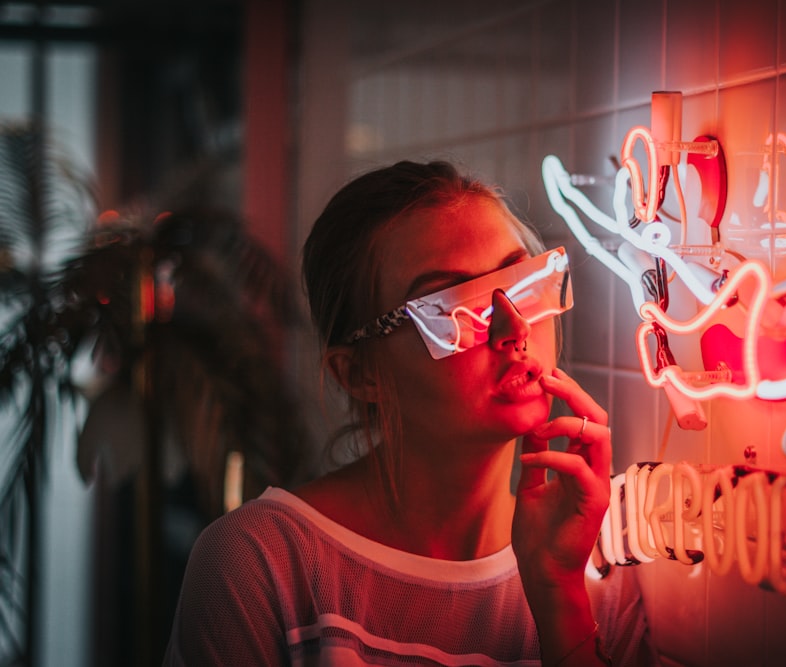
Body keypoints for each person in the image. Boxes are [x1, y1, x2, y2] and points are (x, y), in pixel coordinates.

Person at [163, 160, 651, 666]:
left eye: (523, 281)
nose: (513, 328)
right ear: (359, 375)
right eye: (451, 309)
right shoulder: (261, 565)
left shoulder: (594, 561)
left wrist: (558, 598)